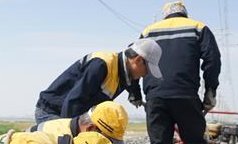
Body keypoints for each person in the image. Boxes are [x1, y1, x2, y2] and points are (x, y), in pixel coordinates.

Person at [133, 0, 225, 144]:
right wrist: (210, 90)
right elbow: (213, 59)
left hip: (155, 97)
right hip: (185, 95)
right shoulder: (197, 27)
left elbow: (134, 59)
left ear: (165, 15)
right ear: (184, 13)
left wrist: (135, 94)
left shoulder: (148, 31)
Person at [35, 38, 163, 127]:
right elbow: (73, 101)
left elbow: (132, 83)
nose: (146, 74)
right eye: (147, 69)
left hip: (73, 114)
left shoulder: (125, 71)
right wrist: (69, 137)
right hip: (53, 112)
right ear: (138, 60)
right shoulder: (101, 65)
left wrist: (136, 96)